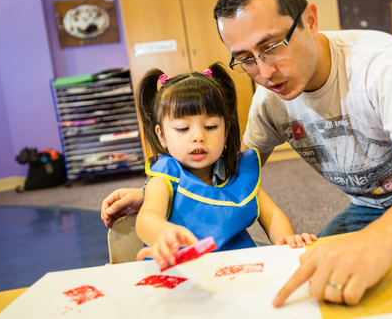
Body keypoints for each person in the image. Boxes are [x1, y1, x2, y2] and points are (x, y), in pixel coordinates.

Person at [102, 0, 392, 307]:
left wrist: (378, 243)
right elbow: (223, 170)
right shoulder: (269, 101)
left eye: (272, 45)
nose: (264, 71)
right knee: (304, 266)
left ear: (309, 18)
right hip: (370, 207)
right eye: (245, 59)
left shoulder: (381, 62)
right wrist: (156, 191)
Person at [131, 63, 314, 268]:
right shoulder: (165, 178)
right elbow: (147, 217)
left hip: (239, 268)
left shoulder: (239, 173)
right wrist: (162, 232)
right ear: (162, 135)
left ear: (226, 130)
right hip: (185, 271)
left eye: (210, 127)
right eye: (183, 129)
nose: (198, 136)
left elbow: (272, 216)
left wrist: (287, 242)